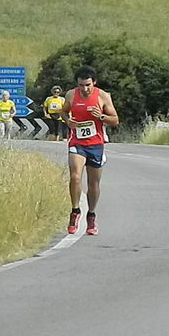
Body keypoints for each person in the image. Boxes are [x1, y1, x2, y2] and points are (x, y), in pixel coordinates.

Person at [59, 65, 119, 235]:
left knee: (93, 184)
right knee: (75, 176)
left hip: (95, 144)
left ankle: (91, 215)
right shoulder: (71, 94)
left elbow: (115, 120)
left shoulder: (103, 96)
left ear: (94, 82)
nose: (84, 89)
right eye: (81, 85)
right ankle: (75, 211)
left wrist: (100, 116)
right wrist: (68, 121)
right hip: (77, 142)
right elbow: (63, 112)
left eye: (88, 85)